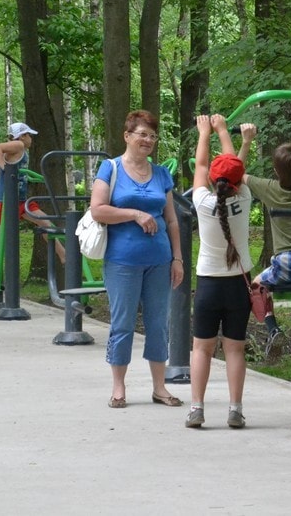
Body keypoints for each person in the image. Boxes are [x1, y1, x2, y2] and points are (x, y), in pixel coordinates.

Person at [89, 110, 183, 410]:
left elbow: (171, 221)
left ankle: (160, 388)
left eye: (153, 136)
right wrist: (134, 213)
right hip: (122, 260)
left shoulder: (161, 174)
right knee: (123, 324)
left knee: (159, 324)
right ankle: (119, 388)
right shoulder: (110, 168)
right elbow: (98, 210)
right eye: (142, 134)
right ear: (127, 136)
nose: (148, 140)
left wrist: (177, 258)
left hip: (159, 259)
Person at [187, 114, 253, 429]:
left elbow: (202, 167)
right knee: (235, 348)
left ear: (214, 180)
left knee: (202, 347)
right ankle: (235, 409)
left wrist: (205, 133)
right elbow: (234, 168)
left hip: (209, 286)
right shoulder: (245, 198)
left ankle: (196, 409)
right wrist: (234, 136)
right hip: (238, 287)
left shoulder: (202, 201)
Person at [237, 124, 291, 357]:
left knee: (255, 285)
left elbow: (236, 174)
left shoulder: (268, 188)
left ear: (276, 169)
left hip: (286, 265)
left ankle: (273, 329)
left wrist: (247, 141)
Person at [0, 122, 65, 288]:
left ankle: (63, 255)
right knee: (0, 237)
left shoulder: (16, 148)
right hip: (7, 199)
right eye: (29, 135)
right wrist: (4, 169)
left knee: (45, 221)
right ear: (22, 136)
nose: (31, 139)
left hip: (20, 199)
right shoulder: (17, 145)